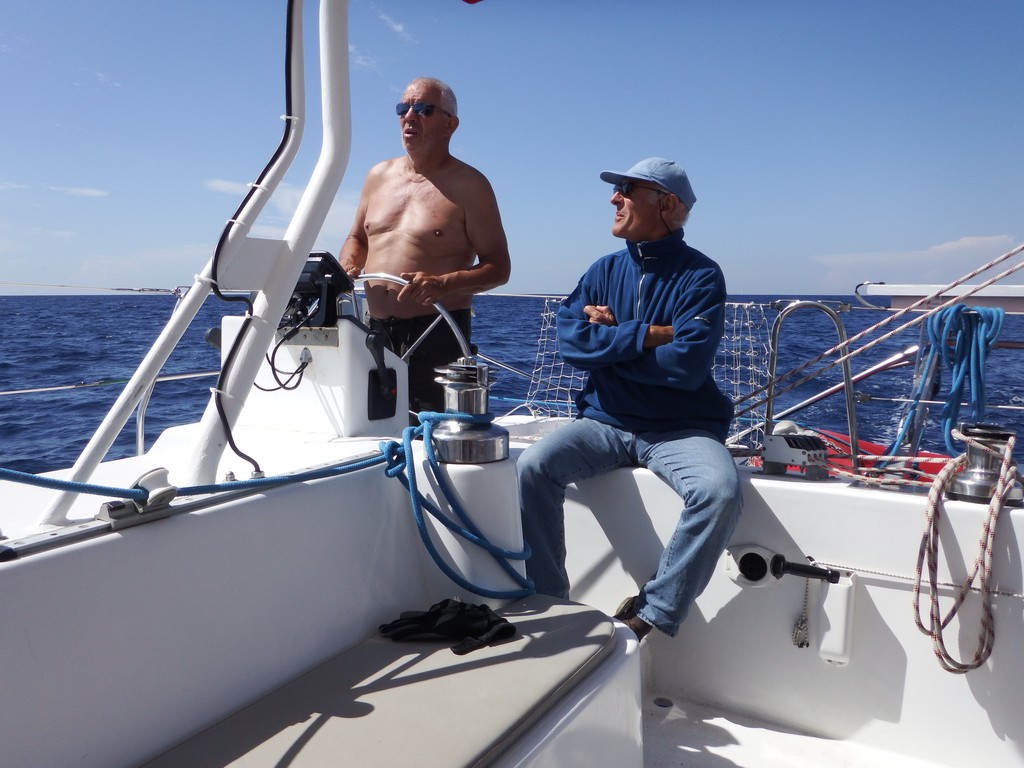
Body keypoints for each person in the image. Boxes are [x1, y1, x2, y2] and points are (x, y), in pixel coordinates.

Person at [517, 157, 743, 641]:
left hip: (680, 429)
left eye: (627, 189)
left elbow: (685, 367)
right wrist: (647, 335)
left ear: (667, 205)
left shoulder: (701, 276)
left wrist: (611, 340)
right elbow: (571, 345)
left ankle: (653, 611)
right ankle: (549, 599)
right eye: (617, 189)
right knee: (533, 466)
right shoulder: (602, 270)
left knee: (719, 492)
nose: (613, 198)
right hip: (605, 422)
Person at [339, 77, 511, 416]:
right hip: (373, 333)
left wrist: (443, 284)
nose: (409, 117)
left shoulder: (471, 186)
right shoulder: (377, 176)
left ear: (450, 124)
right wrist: (348, 263)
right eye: (403, 109)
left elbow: (499, 268)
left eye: (423, 109)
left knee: (431, 434)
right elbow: (357, 238)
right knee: (372, 431)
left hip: (437, 334)